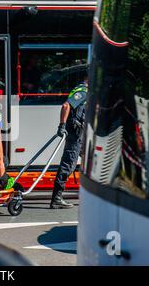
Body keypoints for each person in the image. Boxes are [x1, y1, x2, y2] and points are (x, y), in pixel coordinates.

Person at [50, 77, 88, 209]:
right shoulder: (83, 91)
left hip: (81, 134)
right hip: (75, 134)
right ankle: (56, 198)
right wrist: (62, 125)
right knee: (68, 164)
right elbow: (66, 105)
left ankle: (93, 193)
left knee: (91, 158)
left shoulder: (83, 90)